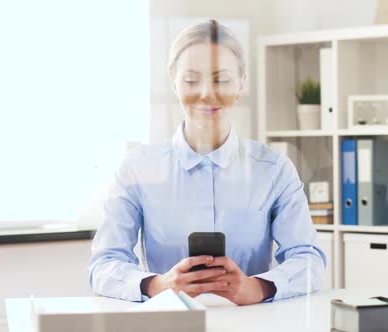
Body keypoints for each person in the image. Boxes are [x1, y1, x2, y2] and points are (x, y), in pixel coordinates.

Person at [88, 19, 325, 305]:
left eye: (221, 79)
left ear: (241, 83)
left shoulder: (274, 169)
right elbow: (103, 265)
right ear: (173, 81)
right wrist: (157, 285)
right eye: (191, 80)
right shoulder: (138, 168)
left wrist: (258, 287)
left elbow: (309, 259)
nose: (207, 93)